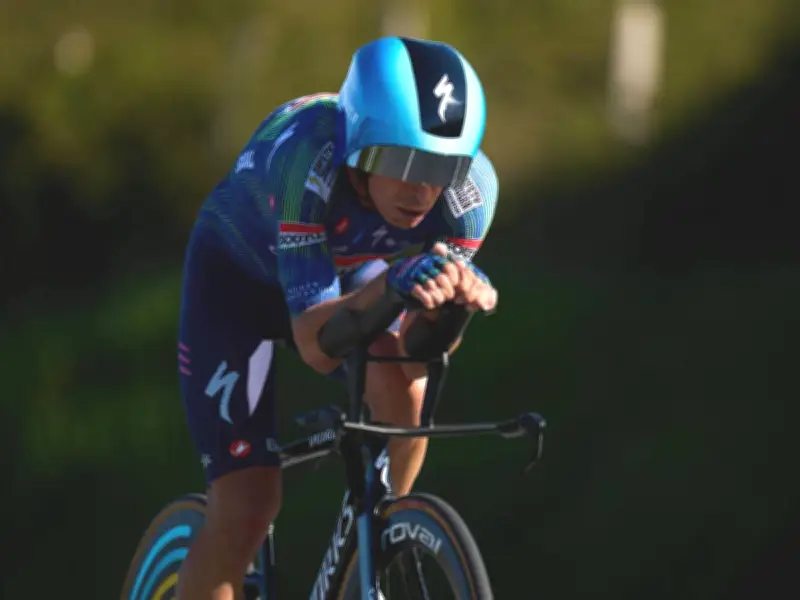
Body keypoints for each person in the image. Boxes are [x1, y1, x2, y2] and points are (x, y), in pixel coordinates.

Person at [175, 36, 500, 600]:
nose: (423, 188)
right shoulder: (308, 160)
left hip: (342, 269)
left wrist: (452, 308)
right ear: (359, 148)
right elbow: (317, 346)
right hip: (237, 284)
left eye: (442, 166)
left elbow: (418, 353)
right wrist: (392, 288)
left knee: (406, 398)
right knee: (248, 505)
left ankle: (373, 548)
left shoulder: (470, 196)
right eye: (402, 160)